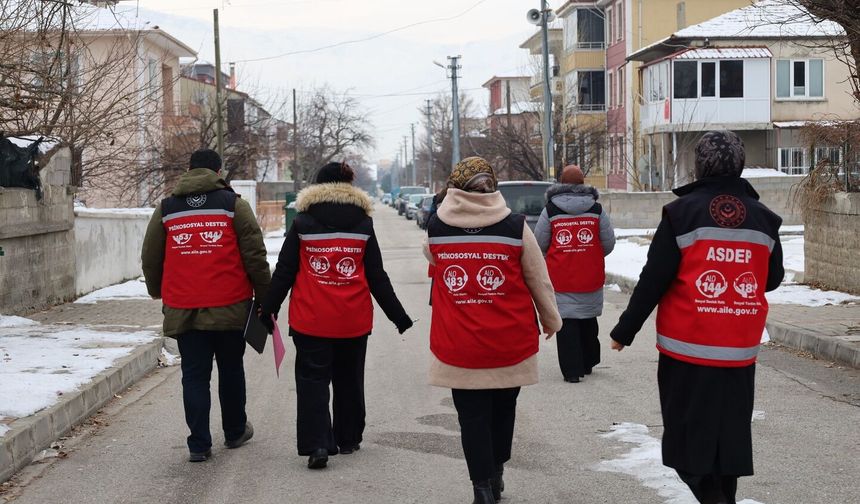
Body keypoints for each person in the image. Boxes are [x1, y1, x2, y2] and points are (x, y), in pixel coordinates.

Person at [609, 131, 784, 504]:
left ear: (700, 164)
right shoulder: (764, 217)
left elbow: (655, 276)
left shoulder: (681, 213)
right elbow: (772, 279)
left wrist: (626, 330)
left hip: (688, 349)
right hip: (738, 350)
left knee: (686, 439)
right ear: (739, 165)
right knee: (728, 440)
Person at [424, 157, 562, 504]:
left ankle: (481, 487)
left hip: (459, 343)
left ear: (454, 188)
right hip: (509, 340)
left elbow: (431, 257)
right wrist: (551, 320)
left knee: (471, 418)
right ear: (493, 185)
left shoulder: (437, 229)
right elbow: (537, 278)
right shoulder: (515, 227)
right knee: (503, 410)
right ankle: (497, 471)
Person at [260, 161, 413, 470]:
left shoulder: (303, 222)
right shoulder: (363, 223)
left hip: (311, 319)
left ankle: (317, 444)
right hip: (352, 320)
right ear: (349, 187)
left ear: (318, 185)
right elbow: (376, 276)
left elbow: (286, 270)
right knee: (349, 378)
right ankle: (348, 437)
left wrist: (269, 307)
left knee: (312, 380)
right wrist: (399, 316)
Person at [141, 149, 270, 462]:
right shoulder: (233, 205)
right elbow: (255, 255)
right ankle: (235, 430)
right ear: (219, 171)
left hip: (184, 308)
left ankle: (199, 444)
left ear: (188, 169)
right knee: (230, 369)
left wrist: (157, 290)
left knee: (194, 375)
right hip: (231, 306)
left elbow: (150, 256)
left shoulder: (167, 208)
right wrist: (265, 298)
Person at [534, 165, 615, 383]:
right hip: (590, 274)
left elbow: (539, 242)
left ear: (560, 184)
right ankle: (588, 362)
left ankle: (572, 371)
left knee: (567, 322)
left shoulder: (550, 210)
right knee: (588, 318)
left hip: (561, 276)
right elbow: (608, 243)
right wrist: (589, 254)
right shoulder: (596, 210)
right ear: (583, 184)